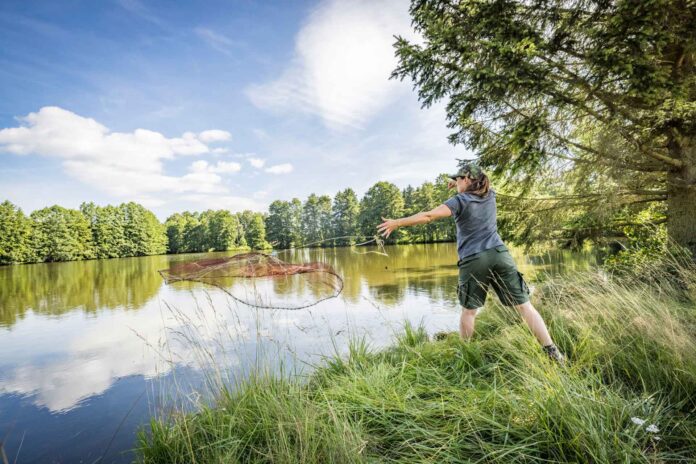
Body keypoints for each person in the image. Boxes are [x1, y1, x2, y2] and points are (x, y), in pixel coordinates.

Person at [377, 161, 565, 363]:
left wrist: (397, 222)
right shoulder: (490, 196)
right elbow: (478, 186)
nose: (455, 182)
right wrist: (457, 184)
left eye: (458, 179)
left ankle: (466, 355)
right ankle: (552, 352)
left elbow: (429, 216)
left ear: (466, 179)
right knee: (525, 307)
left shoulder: (459, 201)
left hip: (474, 259)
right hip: (500, 254)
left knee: (470, 311)